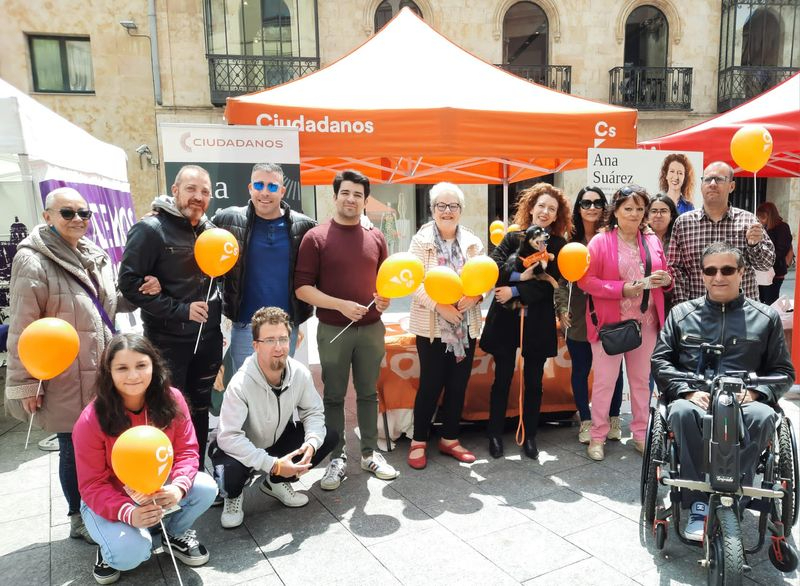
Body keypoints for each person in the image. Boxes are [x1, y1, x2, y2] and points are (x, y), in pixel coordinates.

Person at [4, 187, 160, 544]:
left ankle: (107, 505)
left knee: (102, 444)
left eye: (83, 213)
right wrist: (26, 382)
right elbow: (22, 327)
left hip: (102, 370)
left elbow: (105, 304)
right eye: (67, 213)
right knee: (74, 448)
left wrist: (140, 294)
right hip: (64, 375)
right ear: (47, 217)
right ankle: (78, 515)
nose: (77, 219)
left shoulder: (93, 254)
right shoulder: (32, 260)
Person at [651, 242, 794, 541]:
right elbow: (661, 362)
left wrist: (756, 394)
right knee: (680, 411)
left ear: (742, 272)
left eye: (727, 269)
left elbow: (784, 373)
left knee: (762, 416)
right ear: (702, 275)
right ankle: (697, 502)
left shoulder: (766, 318)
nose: (719, 276)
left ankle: (734, 501)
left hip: (745, 397)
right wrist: (687, 391)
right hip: (696, 395)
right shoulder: (680, 314)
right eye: (711, 270)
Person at [73, 333, 217, 584]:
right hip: (110, 497)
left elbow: (187, 451)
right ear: (108, 372)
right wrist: (128, 513)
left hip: (157, 486)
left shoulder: (172, 399)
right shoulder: (91, 419)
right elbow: (92, 485)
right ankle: (109, 551)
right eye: (122, 368)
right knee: (132, 554)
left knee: (206, 488)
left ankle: (174, 533)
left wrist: (178, 487)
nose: (133, 376)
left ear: (154, 365)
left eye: (141, 365)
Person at [294, 169, 398, 489]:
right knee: (334, 396)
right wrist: (339, 304)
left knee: (368, 393)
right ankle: (336, 458)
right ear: (335, 196)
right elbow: (302, 288)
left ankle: (369, 452)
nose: (351, 199)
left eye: (358, 195)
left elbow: (385, 283)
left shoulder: (376, 238)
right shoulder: (316, 237)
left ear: (365, 201)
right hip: (332, 330)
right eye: (346, 193)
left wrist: (384, 301)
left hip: (371, 329)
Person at [119, 165, 223, 467]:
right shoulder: (150, 229)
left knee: (201, 408)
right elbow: (128, 284)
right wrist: (180, 310)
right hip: (167, 341)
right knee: (168, 410)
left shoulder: (209, 229)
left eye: (205, 191)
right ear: (175, 190)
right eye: (191, 189)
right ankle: (169, 473)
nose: (198, 197)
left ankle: (196, 469)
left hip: (208, 339)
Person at [210, 307, 338, 528]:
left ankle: (276, 483)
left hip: (275, 439)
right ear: (256, 345)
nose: (278, 347)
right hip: (240, 447)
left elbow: (313, 412)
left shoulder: (299, 373)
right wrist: (274, 464)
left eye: (283, 339)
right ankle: (234, 496)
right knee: (230, 476)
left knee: (327, 436)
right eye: (269, 340)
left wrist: (311, 443)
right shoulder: (241, 383)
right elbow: (229, 437)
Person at [578, 185, 672, 461]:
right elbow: (586, 281)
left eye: (639, 209)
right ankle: (597, 435)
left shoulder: (651, 240)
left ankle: (641, 434)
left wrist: (666, 281)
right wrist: (622, 289)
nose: (634, 214)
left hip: (647, 323)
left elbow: (663, 272)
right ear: (616, 210)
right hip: (611, 325)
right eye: (628, 208)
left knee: (642, 382)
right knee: (605, 382)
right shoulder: (600, 241)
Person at [480, 183, 570, 460]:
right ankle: (495, 434)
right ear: (531, 208)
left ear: (556, 216)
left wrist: (516, 290)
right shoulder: (511, 237)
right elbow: (495, 270)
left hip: (537, 323)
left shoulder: (559, 246)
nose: (545, 212)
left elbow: (550, 285)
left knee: (534, 382)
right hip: (506, 322)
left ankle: (530, 436)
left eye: (551, 209)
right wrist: (519, 278)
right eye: (541, 206)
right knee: (502, 378)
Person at [406, 182, 484, 469]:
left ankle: (450, 438)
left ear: (461, 211)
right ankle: (418, 440)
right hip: (432, 327)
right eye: (441, 205)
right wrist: (440, 306)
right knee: (430, 383)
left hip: (465, 326)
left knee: (457, 384)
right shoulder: (421, 240)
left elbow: (484, 278)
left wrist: (476, 296)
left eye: (453, 206)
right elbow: (412, 280)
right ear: (432, 209)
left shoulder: (473, 242)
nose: (447, 211)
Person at [212, 163, 316, 366]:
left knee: (279, 390)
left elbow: (326, 254)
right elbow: (192, 235)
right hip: (245, 327)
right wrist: (161, 215)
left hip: (285, 328)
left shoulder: (305, 226)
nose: (265, 193)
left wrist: (362, 223)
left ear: (283, 191)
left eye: (272, 186)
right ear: (250, 188)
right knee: (246, 391)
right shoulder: (227, 219)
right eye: (259, 185)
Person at [555, 186, 624, 444]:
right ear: (578, 207)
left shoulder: (615, 237)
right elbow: (562, 283)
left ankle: (613, 418)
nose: (592, 207)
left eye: (597, 202)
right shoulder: (569, 241)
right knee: (581, 370)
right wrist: (562, 309)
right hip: (579, 316)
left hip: (611, 313)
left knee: (614, 372)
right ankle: (586, 420)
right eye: (586, 203)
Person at [667, 161, 775, 305]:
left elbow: (766, 264)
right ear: (701, 185)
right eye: (707, 179)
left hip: (742, 313)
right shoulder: (683, 223)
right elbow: (675, 269)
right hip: (699, 314)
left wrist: (754, 245)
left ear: (732, 186)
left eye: (719, 179)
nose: (712, 183)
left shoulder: (749, 221)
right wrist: (683, 308)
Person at [755, 201, 793, 306]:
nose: (760, 219)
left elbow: (782, 250)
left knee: (770, 302)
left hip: (775, 271)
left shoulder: (782, 227)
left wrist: (765, 259)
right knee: (759, 300)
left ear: (770, 216)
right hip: (761, 271)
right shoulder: (762, 227)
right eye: (758, 216)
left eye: (762, 217)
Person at [647, 194, 680, 313]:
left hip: (676, 300)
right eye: (654, 211)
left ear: (671, 215)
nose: (658, 215)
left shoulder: (679, 238)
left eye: (663, 211)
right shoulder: (638, 239)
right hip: (647, 300)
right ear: (647, 215)